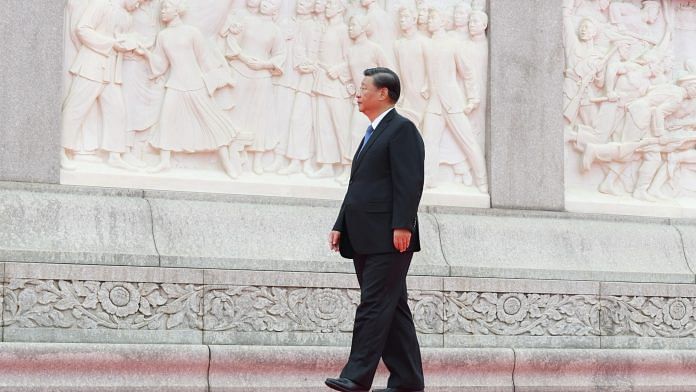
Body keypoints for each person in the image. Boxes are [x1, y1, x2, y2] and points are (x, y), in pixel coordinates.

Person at [325, 67, 425, 392]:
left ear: (383, 93)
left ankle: (356, 377)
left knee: (372, 304)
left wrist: (403, 225)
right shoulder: (372, 133)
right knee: (392, 309)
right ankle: (408, 381)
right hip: (365, 235)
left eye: (363, 87)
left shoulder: (402, 130)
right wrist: (341, 224)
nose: (358, 92)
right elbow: (359, 186)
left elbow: (409, 182)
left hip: (390, 237)